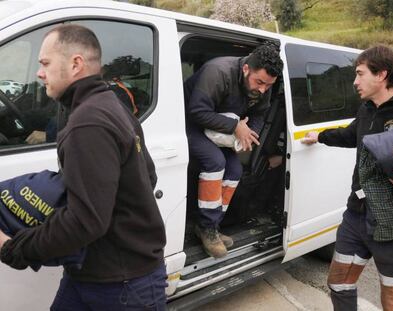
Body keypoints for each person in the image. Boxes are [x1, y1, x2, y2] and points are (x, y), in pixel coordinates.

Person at [0, 24, 167, 310]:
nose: (39, 73)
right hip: (94, 274)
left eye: (45, 63)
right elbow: (147, 176)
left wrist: (12, 248)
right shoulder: (110, 105)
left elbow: (86, 221)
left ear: (76, 64)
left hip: (121, 286)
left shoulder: (88, 122)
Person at [302, 45, 393, 311]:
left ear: (382, 74)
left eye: (360, 74)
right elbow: (350, 135)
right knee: (339, 282)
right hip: (356, 214)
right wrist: (319, 136)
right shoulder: (367, 108)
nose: (355, 81)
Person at [184, 42, 283, 258]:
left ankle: (210, 226)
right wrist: (236, 127)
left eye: (268, 85)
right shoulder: (218, 72)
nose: (263, 89)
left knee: (234, 171)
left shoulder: (264, 83)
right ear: (246, 68)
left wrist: (249, 134)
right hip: (191, 122)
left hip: (221, 129)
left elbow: (259, 114)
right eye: (259, 82)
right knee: (215, 163)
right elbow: (197, 111)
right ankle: (208, 229)